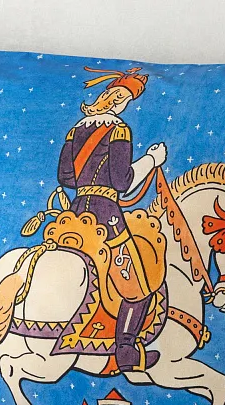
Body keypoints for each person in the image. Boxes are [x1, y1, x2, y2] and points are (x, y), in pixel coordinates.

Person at [57, 66, 167, 373]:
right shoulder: (119, 130)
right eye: (123, 99)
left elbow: (65, 177)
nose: (122, 105)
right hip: (106, 215)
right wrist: (152, 160)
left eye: (126, 101)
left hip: (75, 212)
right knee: (140, 282)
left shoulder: (75, 130)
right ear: (115, 99)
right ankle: (126, 349)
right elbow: (122, 182)